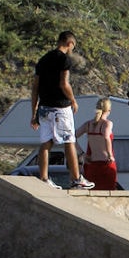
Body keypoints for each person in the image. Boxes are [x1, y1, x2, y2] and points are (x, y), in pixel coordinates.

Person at [29, 31, 94, 190]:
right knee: (69, 141)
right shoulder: (64, 59)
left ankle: (43, 178)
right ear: (70, 43)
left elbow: (35, 87)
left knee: (46, 143)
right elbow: (64, 83)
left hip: (44, 108)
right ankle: (76, 178)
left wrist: (34, 112)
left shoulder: (43, 60)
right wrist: (73, 100)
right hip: (60, 107)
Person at [75, 97, 117, 190]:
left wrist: (82, 154)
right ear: (109, 110)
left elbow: (72, 137)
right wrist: (110, 155)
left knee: (92, 193)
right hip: (106, 163)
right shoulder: (107, 123)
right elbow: (106, 137)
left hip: (92, 164)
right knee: (109, 193)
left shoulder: (88, 124)